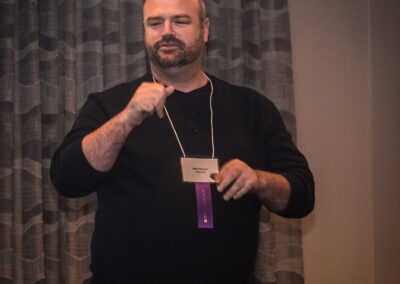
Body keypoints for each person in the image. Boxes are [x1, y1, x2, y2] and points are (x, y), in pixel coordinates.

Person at [50, 0, 314, 282]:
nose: (167, 31)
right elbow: (68, 180)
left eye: (180, 21)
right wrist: (125, 120)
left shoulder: (252, 107)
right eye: (155, 23)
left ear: (205, 29)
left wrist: (260, 180)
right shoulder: (109, 105)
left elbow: (302, 196)